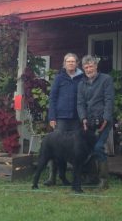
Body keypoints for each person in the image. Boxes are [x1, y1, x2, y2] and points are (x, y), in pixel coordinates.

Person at [44, 52, 83, 186]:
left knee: (75, 149)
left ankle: (74, 177)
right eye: (68, 61)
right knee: (57, 147)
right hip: (61, 118)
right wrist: (52, 117)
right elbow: (53, 98)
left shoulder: (82, 78)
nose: (71, 63)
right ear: (64, 64)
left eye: (73, 61)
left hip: (76, 118)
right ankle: (52, 177)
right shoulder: (59, 78)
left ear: (77, 63)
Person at [77, 54, 115, 189]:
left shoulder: (106, 79)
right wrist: (83, 119)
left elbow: (109, 100)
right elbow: (80, 103)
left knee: (98, 147)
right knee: (88, 148)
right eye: (86, 67)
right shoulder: (82, 84)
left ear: (96, 66)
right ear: (83, 68)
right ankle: (92, 177)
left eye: (91, 66)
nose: (88, 69)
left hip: (104, 120)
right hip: (89, 121)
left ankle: (104, 180)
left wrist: (106, 118)